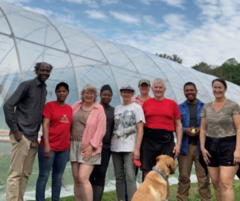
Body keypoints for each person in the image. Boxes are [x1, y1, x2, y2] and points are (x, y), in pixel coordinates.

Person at [3, 62, 53, 201]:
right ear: (36, 71)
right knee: (15, 174)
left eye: (47, 71)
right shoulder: (27, 85)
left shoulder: (43, 89)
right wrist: (15, 130)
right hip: (22, 135)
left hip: (33, 138)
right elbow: (8, 105)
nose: (45, 73)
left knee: (25, 173)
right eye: (42, 70)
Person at [141, 78, 182, 200]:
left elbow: (178, 125)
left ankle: (165, 199)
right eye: (156, 87)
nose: (158, 89)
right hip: (149, 141)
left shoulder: (172, 103)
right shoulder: (147, 103)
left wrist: (178, 144)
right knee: (147, 172)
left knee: (164, 174)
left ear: (164, 89)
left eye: (160, 87)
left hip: (166, 141)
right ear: (152, 89)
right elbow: (141, 125)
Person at [200, 78, 240, 201]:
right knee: (216, 183)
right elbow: (203, 129)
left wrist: (237, 150)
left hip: (228, 145)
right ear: (212, 89)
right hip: (211, 145)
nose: (217, 90)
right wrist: (202, 147)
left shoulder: (233, 106)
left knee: (225, 183)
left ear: (225, 89)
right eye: (215, 87)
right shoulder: (207, 107)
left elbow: (239, 128)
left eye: (220, 87)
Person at [35, 82, 72, 201]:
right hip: (49, 147)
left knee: (58, 177)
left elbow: (69, 128)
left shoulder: (69, 109)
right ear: (56, 93)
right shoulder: (49, 106)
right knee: (44, 176)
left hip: (63, 149)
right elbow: (45, 125)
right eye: (59, 91)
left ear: (67, 93)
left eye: (64, 91)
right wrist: (46, 146)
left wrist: (68, 146)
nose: (61, 93)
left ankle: (55, 199)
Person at [70, 83, 106, 201]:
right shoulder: (76, 105)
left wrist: (92, 146)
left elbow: (101, 129)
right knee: (76, 178)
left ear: (95, 95)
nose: (89, 95)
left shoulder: (98, 108)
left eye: (91, 93)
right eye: (86, 93)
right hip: (74, 145)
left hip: (89, 148)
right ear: (83, 94)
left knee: (83, 177)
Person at [177, 82, 211, 201]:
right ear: (184, 92)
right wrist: (184, 130)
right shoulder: (179, 107)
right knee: (183, 177)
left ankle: (206, 199)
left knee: (203, 178)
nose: (189, 92)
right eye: (187, 90)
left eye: (192, 90)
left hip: (201, 148)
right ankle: (182, 199)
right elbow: (175, 124)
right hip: (185, 147)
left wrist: (200, 130)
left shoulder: (205, 107)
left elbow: (210, 124)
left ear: (196, 91)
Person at [111, 84, 145, 201]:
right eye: (124, 92)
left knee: (130, 176)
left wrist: (137, 149)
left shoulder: (136, 108)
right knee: (119, 177)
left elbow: (140, 129)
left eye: (129, 92)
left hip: (130, 148)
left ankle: (132, 199)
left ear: (132, 94)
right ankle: (121, 199)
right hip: (116, 147)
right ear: (121, 93)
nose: (126, 94)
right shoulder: (117, 108)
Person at [90, 84, 114, 201]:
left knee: (101, 173)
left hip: (106, 147)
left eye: (109, 95)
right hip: (92, 146)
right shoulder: (94, 108)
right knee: (90, 174)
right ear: (100, 95)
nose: (106, 97)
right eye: (104, 94)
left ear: (111, 96)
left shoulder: (113, 111)